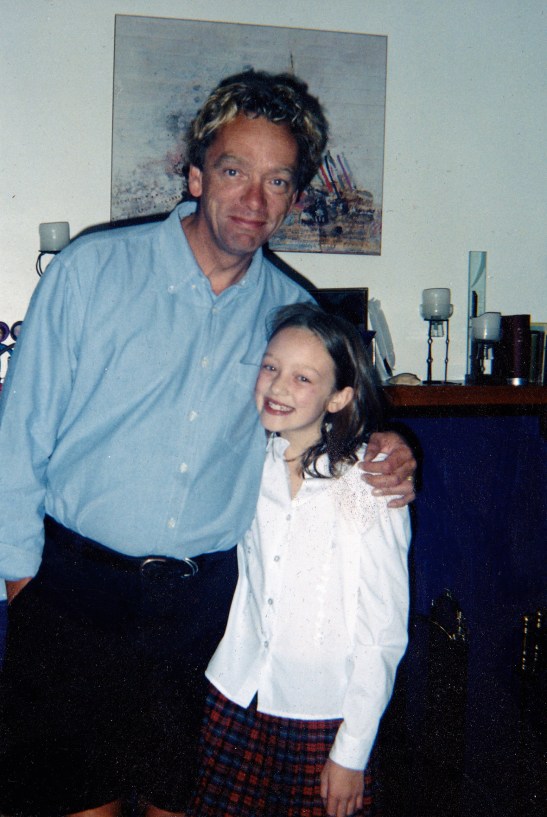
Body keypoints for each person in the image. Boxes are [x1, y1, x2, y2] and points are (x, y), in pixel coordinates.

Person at [0, 70, 415, 817]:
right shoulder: (91, 271)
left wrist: (386, 444)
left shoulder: (289, 315)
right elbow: (16, 434)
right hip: (70, 594)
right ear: (195, 174)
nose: (254, 201)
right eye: (233, 171)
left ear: (294, 196)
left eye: (277, 181)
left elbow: (332, 406)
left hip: (202, 613)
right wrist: (23, 587)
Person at [186, 303, 410, 817]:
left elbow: (383, 632)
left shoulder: (367, 485)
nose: (278, 386)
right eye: (270, 367)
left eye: (303, 377)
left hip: (323, 713)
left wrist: (352, 752)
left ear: (340, 397)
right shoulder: (246, 463)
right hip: (237, 694)